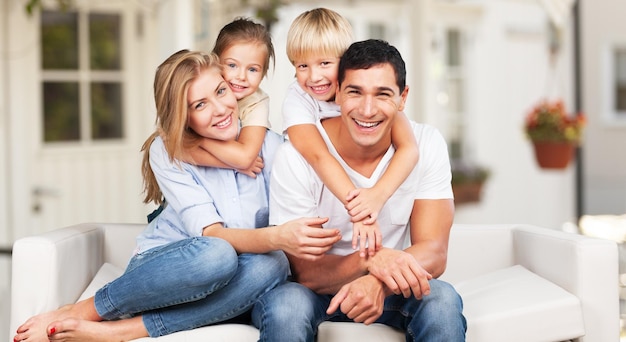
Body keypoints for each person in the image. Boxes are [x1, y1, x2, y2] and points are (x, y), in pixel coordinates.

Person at [13, 50, 340, 342]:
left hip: (245, 282)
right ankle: (86, 310)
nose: (220, 109)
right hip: (173, 271)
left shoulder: (273, 148)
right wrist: (278, 236)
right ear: (182, 116)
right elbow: (214, 236)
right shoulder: (169, 151)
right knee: (217, 254)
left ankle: (128, 330)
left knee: (277, 273)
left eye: (221, 91)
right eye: (200, 105)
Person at [252, 39, 466, 341]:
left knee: (441, 300)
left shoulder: (426, 144)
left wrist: (378, 281)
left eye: (383, 94)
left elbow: (434, 252)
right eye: (355, 92)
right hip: (314, 292)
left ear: (403, 98)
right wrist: (368, 261)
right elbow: (305, 274)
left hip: (389, 287)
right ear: (337, 92)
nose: (367, 110)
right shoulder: (295, 156)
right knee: (286, 306)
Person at [282, 8, 420, 257]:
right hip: (312, 193)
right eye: (302, 65)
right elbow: (318, 156)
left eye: (324, 63)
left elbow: (409, 149)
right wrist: (360, 212)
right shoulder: (298, 99)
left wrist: (377, 197)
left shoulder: (367, 94)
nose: (314, 77)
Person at [179, 17, 274, 178]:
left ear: (263, 74)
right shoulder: (197, 89)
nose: (241, 76)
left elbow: (245, 158)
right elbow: (178, 150)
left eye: (252, 69)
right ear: (215, 62)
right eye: (232, 65)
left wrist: (197, 139)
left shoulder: (256, 103)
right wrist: (231, 165)